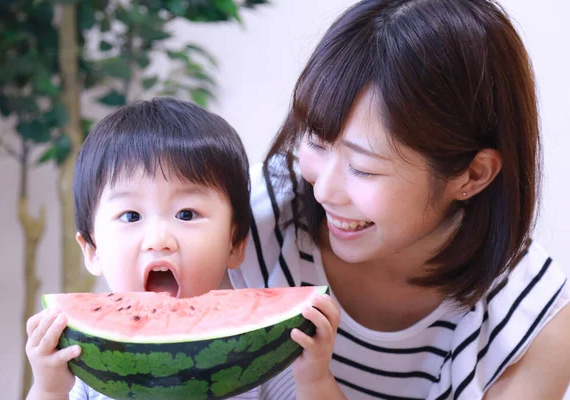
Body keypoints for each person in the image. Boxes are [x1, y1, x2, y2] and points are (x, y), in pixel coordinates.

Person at [228, 0, 570, 399]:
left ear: (472, 175)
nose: (323, 191)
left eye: (364, 169)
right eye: (317, 142)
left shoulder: (531, 325)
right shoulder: (241, 222)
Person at [23, 97, 340, 400]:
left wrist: (314, 379)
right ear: (92, 249)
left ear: (235, 243)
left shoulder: (263, 355)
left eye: (186, 214)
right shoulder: (84, 365)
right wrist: (49, 390)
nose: (159, 239)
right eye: (131, 216)